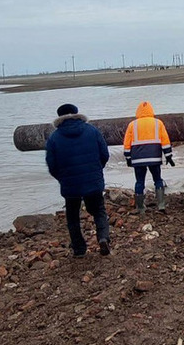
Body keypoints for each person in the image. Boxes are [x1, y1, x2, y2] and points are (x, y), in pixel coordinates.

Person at [45, 103, 111, 258]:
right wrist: (96, 170)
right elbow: (105, 154)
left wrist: (62, 178)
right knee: (99, 210)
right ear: (76, 114)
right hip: (92, 180)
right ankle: (103, 238)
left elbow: (52, 165)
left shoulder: (54, 138)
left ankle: (79, 249)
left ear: (59, 117)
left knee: (72, 216)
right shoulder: (92, 131)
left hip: (70, 184)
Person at [123, 101, 174, 213]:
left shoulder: (132, 124)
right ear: (151, 110)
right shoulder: (158, 123)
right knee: (158, 180)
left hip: (138, 158)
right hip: (154, 157)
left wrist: (128, 157)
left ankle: (140, 207)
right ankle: (161, 205)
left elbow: (127, 143)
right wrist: (168, 155)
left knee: (139, 181)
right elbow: (165, 140)